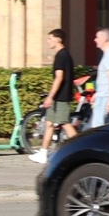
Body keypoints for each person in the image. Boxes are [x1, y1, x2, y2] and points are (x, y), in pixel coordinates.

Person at [33, 29, 76, 162]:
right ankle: (43, 153)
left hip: (61, 97)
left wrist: (50, 97)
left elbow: (59, 78)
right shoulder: (64, 54)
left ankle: (81, 149)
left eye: (50, 38)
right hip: (59, 96)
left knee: (65, 124)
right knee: (49, 123)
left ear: (58, 40)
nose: (48, 41)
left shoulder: (61, 56)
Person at [87, 30, 109, 131]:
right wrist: (97, 93)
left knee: (98, 128)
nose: (95, 40)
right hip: (103, 95)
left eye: (97, 37)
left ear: (105, 39)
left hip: (105, 97)